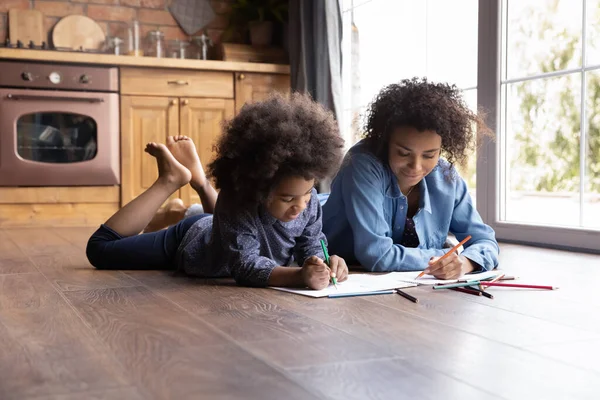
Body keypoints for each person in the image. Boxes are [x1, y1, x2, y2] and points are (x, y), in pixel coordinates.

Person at [86, 93, 348, 289]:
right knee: (100, 250)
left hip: (223, 227)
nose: (301, 206)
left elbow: (311, 244)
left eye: (307, 193)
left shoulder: (307, 200)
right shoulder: (238, 198)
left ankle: (200, 182)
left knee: (229, 225)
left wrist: (324, 262)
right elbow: (244, 265)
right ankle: (169, 180)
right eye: (288, 198)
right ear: (256, 187)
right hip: (194, 242)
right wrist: (298, 276)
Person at [322, 78, 499, 280]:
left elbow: (485, 241)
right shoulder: (362, 164)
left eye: (429, 155)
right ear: (385, 141)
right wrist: (445, 255)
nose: (416, 167)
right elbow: (378, 256)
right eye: (403, 153)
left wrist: (466, 263)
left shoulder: (447, 177)